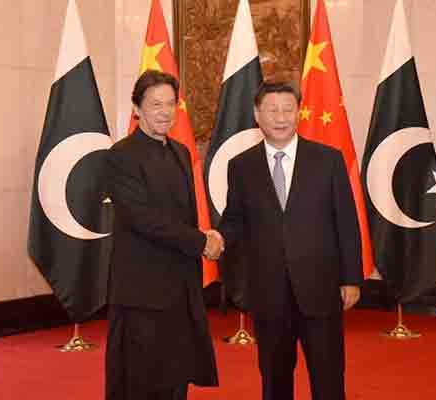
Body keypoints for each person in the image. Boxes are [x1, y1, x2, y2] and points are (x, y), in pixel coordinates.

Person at [218, 81, 362, 400]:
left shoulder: (328, 160)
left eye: (288, 109)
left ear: (299, 113)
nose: (280, 117)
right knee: (274, 379)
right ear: (257, 114)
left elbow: (347, 223)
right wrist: (215, 239)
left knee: (328, 378)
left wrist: (351, 278)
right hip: (269, 293)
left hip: (320, 289)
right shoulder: (241, 166)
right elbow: (235, 220)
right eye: (272, 109)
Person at [105, 70, 222, 400]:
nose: (165, 112)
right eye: (155, 104)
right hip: (141, 290)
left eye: (171, 104)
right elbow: (142, 218)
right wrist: (201, 241)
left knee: (176, 378)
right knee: (141, 383)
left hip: (180, 287)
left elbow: (181, 216)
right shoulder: (121, 155)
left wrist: (205, 234)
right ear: (137, 109)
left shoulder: (181, 153)